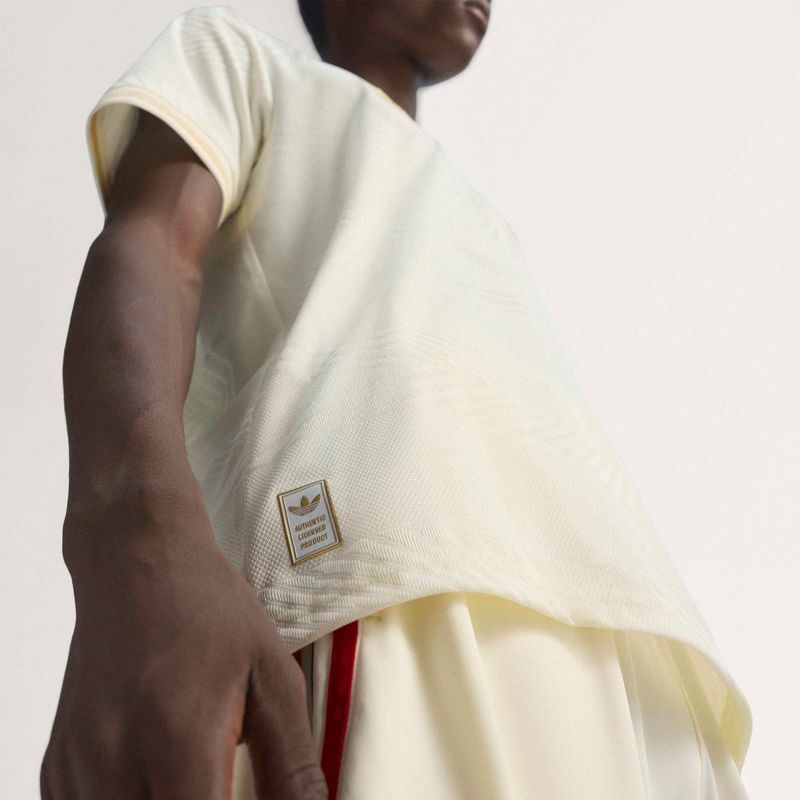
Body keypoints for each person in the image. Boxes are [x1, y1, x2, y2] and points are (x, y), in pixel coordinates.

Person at [42, 2, 752, 798]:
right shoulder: (241, 63)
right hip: (394, 580)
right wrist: (135, 543)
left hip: (641, 661)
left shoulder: (481, 217)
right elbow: (150, 249)